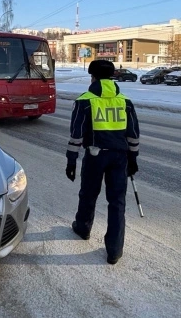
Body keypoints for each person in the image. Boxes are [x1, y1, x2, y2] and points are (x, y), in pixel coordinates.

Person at [65, 60, 140, 265]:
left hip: (95, 156)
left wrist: (72, 160)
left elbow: (76, 135)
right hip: (120, 158)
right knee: (117, 203)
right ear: (112, 77)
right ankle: (114, 250)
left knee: (88, 194)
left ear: (93, 77)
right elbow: (133, 135)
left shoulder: (85, 101)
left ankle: (83, 228)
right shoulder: (125, 102)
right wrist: (132, 158)